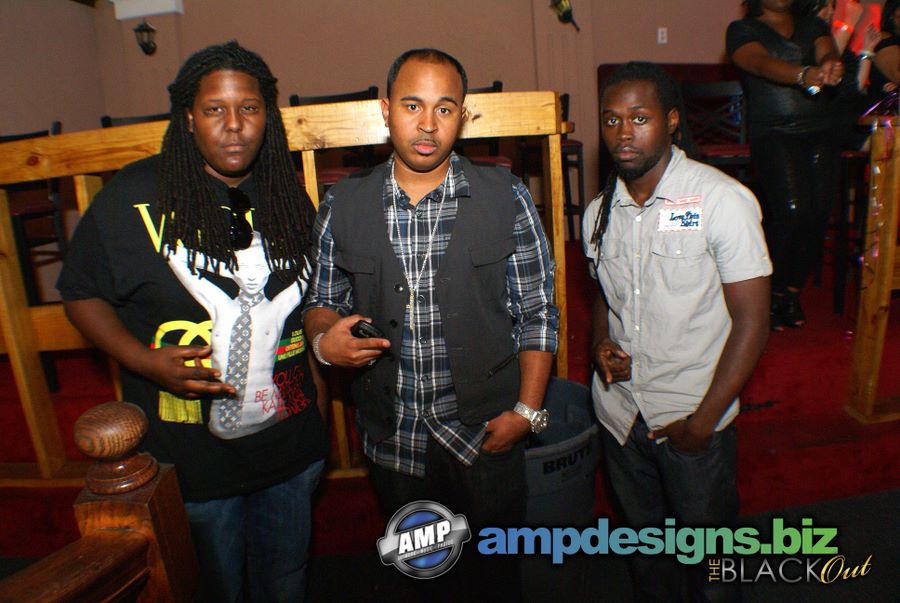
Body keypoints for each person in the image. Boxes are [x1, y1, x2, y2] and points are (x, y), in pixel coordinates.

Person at [57, 41, 328, 602]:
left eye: (249, 108)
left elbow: (306, 308)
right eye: (214, 109)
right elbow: (81, 294)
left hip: (290, 451)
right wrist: (142, 360)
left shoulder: (286, 194)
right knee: (214, 589)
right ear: (187, 118)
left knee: (286, 581)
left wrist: (319, 416)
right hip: (194, 464)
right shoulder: (132, 196)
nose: (234, 126)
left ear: (267, 116)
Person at [303, 48, 558, 599]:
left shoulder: (507, 196)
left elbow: (538, 310)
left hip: (484, 432)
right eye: (412, 105)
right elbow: (322, 299)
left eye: (444, 109)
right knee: (422, 572)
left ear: (462, 116)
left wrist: (527, 412)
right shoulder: (342, 204)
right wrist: (324, 341)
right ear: (385, 110)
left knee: (495, 576)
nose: (427, 124)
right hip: (394, 437)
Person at [584, 62, 771, 602]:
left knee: (712, 565)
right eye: (611, 120)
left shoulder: (721, 201)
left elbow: (754, 322)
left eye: (639, 118)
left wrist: (703, 423)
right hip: (620, 416)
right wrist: (600, 343)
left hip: (691, 418)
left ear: (670, 121)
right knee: (648, 556)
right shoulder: (599, 212)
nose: (623, 133)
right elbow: (603, 294)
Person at [727, 0, 843, 330]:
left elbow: (827, 52)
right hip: (774, 134)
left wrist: (831, 65)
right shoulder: (742, 29)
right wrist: (803, 74)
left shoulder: (812, 25)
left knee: (818, 214)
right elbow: (760, 63)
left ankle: (791, 293)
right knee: (792, 211)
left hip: (820, 130)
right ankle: (769, 292)